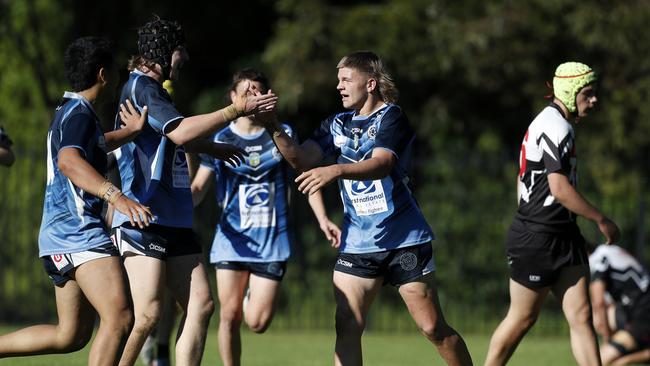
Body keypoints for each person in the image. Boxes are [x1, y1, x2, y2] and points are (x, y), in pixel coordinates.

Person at [260, 51, 473, 366]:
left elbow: (382, 164)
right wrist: (273, 124)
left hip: (404, 239)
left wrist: (336, 170)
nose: (339, 87)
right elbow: (302, 159)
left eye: (346, 79)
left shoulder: (392, 117)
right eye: (338, 80)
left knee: (432, 329)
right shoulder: (336, 124)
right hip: (358, 243)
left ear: (370, 83)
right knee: (346, 325)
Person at [110, 17, 277, 366]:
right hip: (144, 216)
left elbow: (168, 137)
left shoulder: (152, 90)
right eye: (179, 50)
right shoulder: (143, 87)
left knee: (201, 304)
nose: (183, 57)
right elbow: (180, 132)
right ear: (162, 52)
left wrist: (211, 148)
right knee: (148, 317)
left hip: (173, 218)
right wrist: (235, 110)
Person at [0, 36, 153, 365]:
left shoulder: (68, 112)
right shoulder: (81, 115)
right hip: (79, 232)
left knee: (71, 335)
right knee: (121, 318)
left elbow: (89, 146)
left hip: (58, 237)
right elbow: (69, 161)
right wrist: (117, 196)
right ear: (102, 74)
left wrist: (130, 134)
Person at [191, 68, 341, 366]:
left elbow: (305, 177)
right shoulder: (219, 138)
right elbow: (198, 187)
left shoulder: (281, 133)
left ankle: (252, 299)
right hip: (232, 238)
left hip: (272, 240)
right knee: (229, 315)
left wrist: (323, 218)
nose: (252, 97)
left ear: (269, 97)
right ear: (233, 97)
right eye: (245, 91)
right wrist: (170, 207)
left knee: (257, 323)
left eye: (258, 91)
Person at [484, 62, 621, 366]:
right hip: (537, 238)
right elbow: (558, 188)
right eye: (588, 93)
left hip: (564, 235)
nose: (594, 99)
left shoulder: (558, 123)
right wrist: (601, 219)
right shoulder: (555, 126)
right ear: (570, 93)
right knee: (522, 318)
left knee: (582, 316)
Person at [589, 243, 650, 365]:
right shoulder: (612, 251)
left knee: (599, 360)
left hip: (644, 315)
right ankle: (627, 347)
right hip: (637, 309)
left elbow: (599, 303)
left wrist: (607, 340)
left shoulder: (597, 258)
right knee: (598, 317)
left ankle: (632, 355)